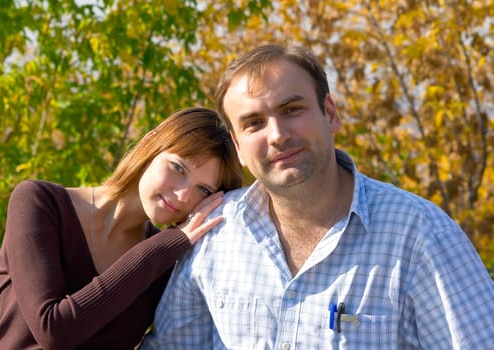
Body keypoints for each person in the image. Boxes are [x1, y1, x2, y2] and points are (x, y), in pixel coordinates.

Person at [142, 44, 494, 349]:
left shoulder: (421, 235)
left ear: (330, 113)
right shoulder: (213, 234)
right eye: (254, 123)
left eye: (292, 110)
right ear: (237, 146)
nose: (277, 135)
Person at [0, 107, 242, 350]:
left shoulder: (168, 262)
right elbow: (53, 330)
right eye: (178, 167)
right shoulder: (40, 202)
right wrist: (166, 245)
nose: (184, 195)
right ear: (150, 143)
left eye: (203, 190)